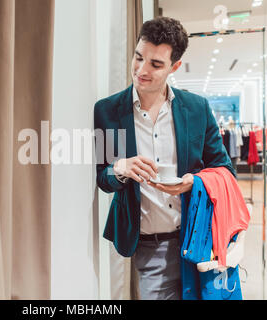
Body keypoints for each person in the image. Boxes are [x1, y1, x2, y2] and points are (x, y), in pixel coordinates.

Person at [93, 17, 235, 300]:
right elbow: (102, 178)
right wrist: (120, 168)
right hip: (150, 246)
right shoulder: (107, 111)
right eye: (138, 57)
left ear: (174, 67)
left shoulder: (197, 109)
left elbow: (224, 169)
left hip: (199, 239)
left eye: (155, 64)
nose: (141, 70)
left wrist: (194, 182)